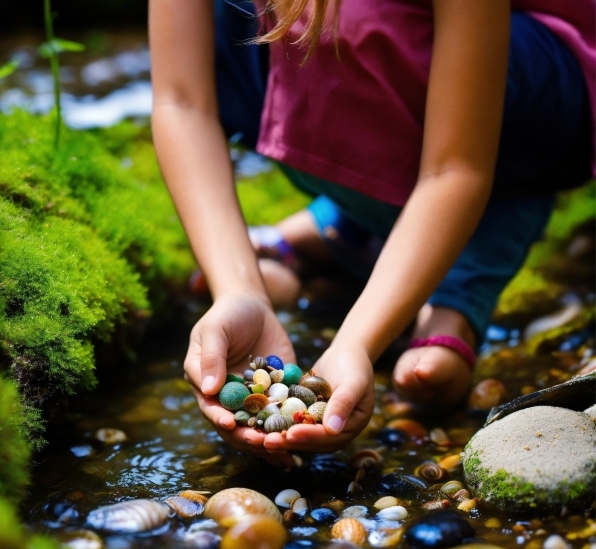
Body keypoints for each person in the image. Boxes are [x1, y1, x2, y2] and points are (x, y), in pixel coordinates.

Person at [149, 0, 594, 465]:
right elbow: (182, 102)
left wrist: (358, 341)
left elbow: (456, 169)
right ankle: (352, 223)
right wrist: (240, 291)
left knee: (372, 31)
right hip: (365, 106)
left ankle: (461, 286)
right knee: (254, 24)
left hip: (522, 100)